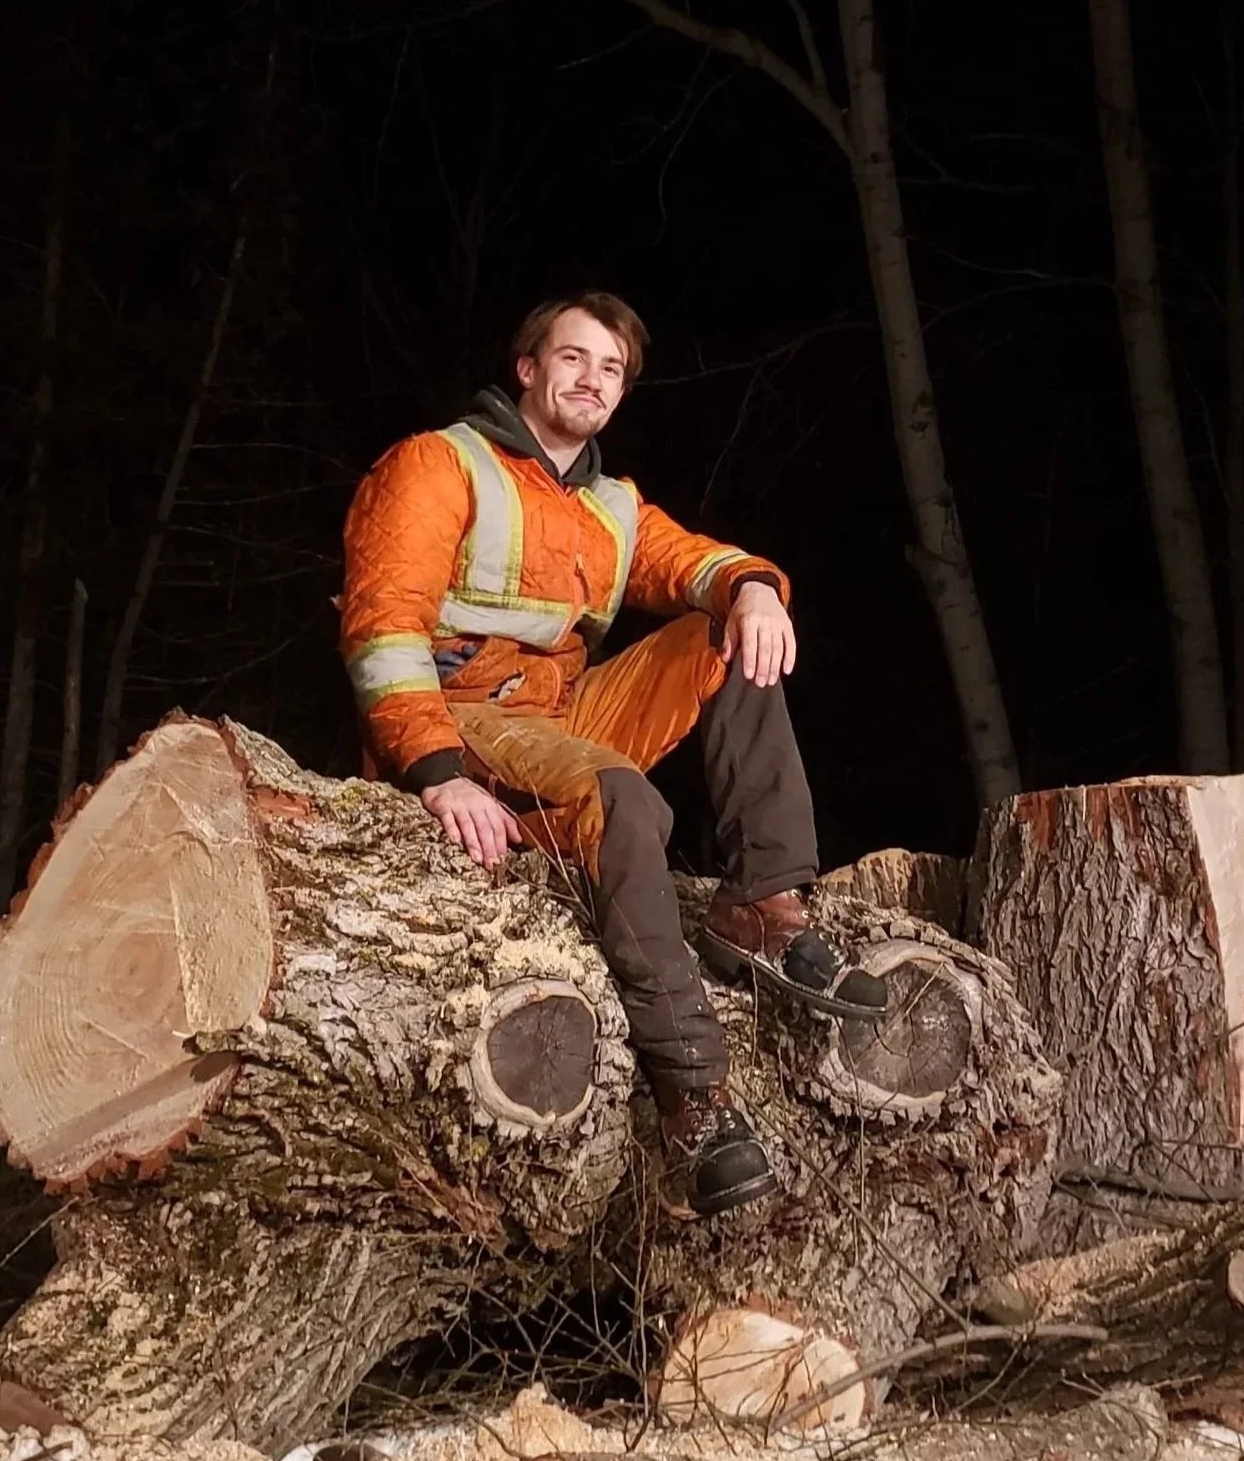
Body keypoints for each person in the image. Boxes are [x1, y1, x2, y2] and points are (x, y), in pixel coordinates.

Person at [339, 292, 884, 1217]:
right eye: (573, 359)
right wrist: (432, 773)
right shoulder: (439, 465)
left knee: (730, 632)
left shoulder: (609, 506)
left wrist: (752, 588)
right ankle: (694, 1101)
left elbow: (692, 559)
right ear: (528, 367)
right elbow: (381, 626)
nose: (591, 380)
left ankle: (762, 904)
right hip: (462, 719)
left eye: (611, 370)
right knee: (622, 795)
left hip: (558, 714)